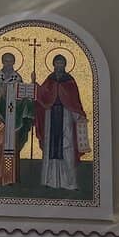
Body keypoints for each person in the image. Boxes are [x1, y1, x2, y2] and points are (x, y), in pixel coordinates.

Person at [34, 54, 89, 190]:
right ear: (53, 64)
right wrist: (35, 85)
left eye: (61, 63)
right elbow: (43, 95)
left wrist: (78, 116)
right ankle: (49, 181)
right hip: (51, 116)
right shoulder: (50, 80)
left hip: (66, 117)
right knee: (51, 149)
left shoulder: (69, 81)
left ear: (65, 65)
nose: (59, 65)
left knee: (67, 147)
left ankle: (70, 183)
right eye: (57, 63)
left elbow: (74, 101)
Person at [0, 52, 35, 186]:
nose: (8, 63)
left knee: (12, 146)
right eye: (6, 61)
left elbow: (23, 100)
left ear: (14, 62)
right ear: (2, 62)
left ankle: (8, 179)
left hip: (13, 118)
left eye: (11, 61)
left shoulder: (17, 78)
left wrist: (31, 87)